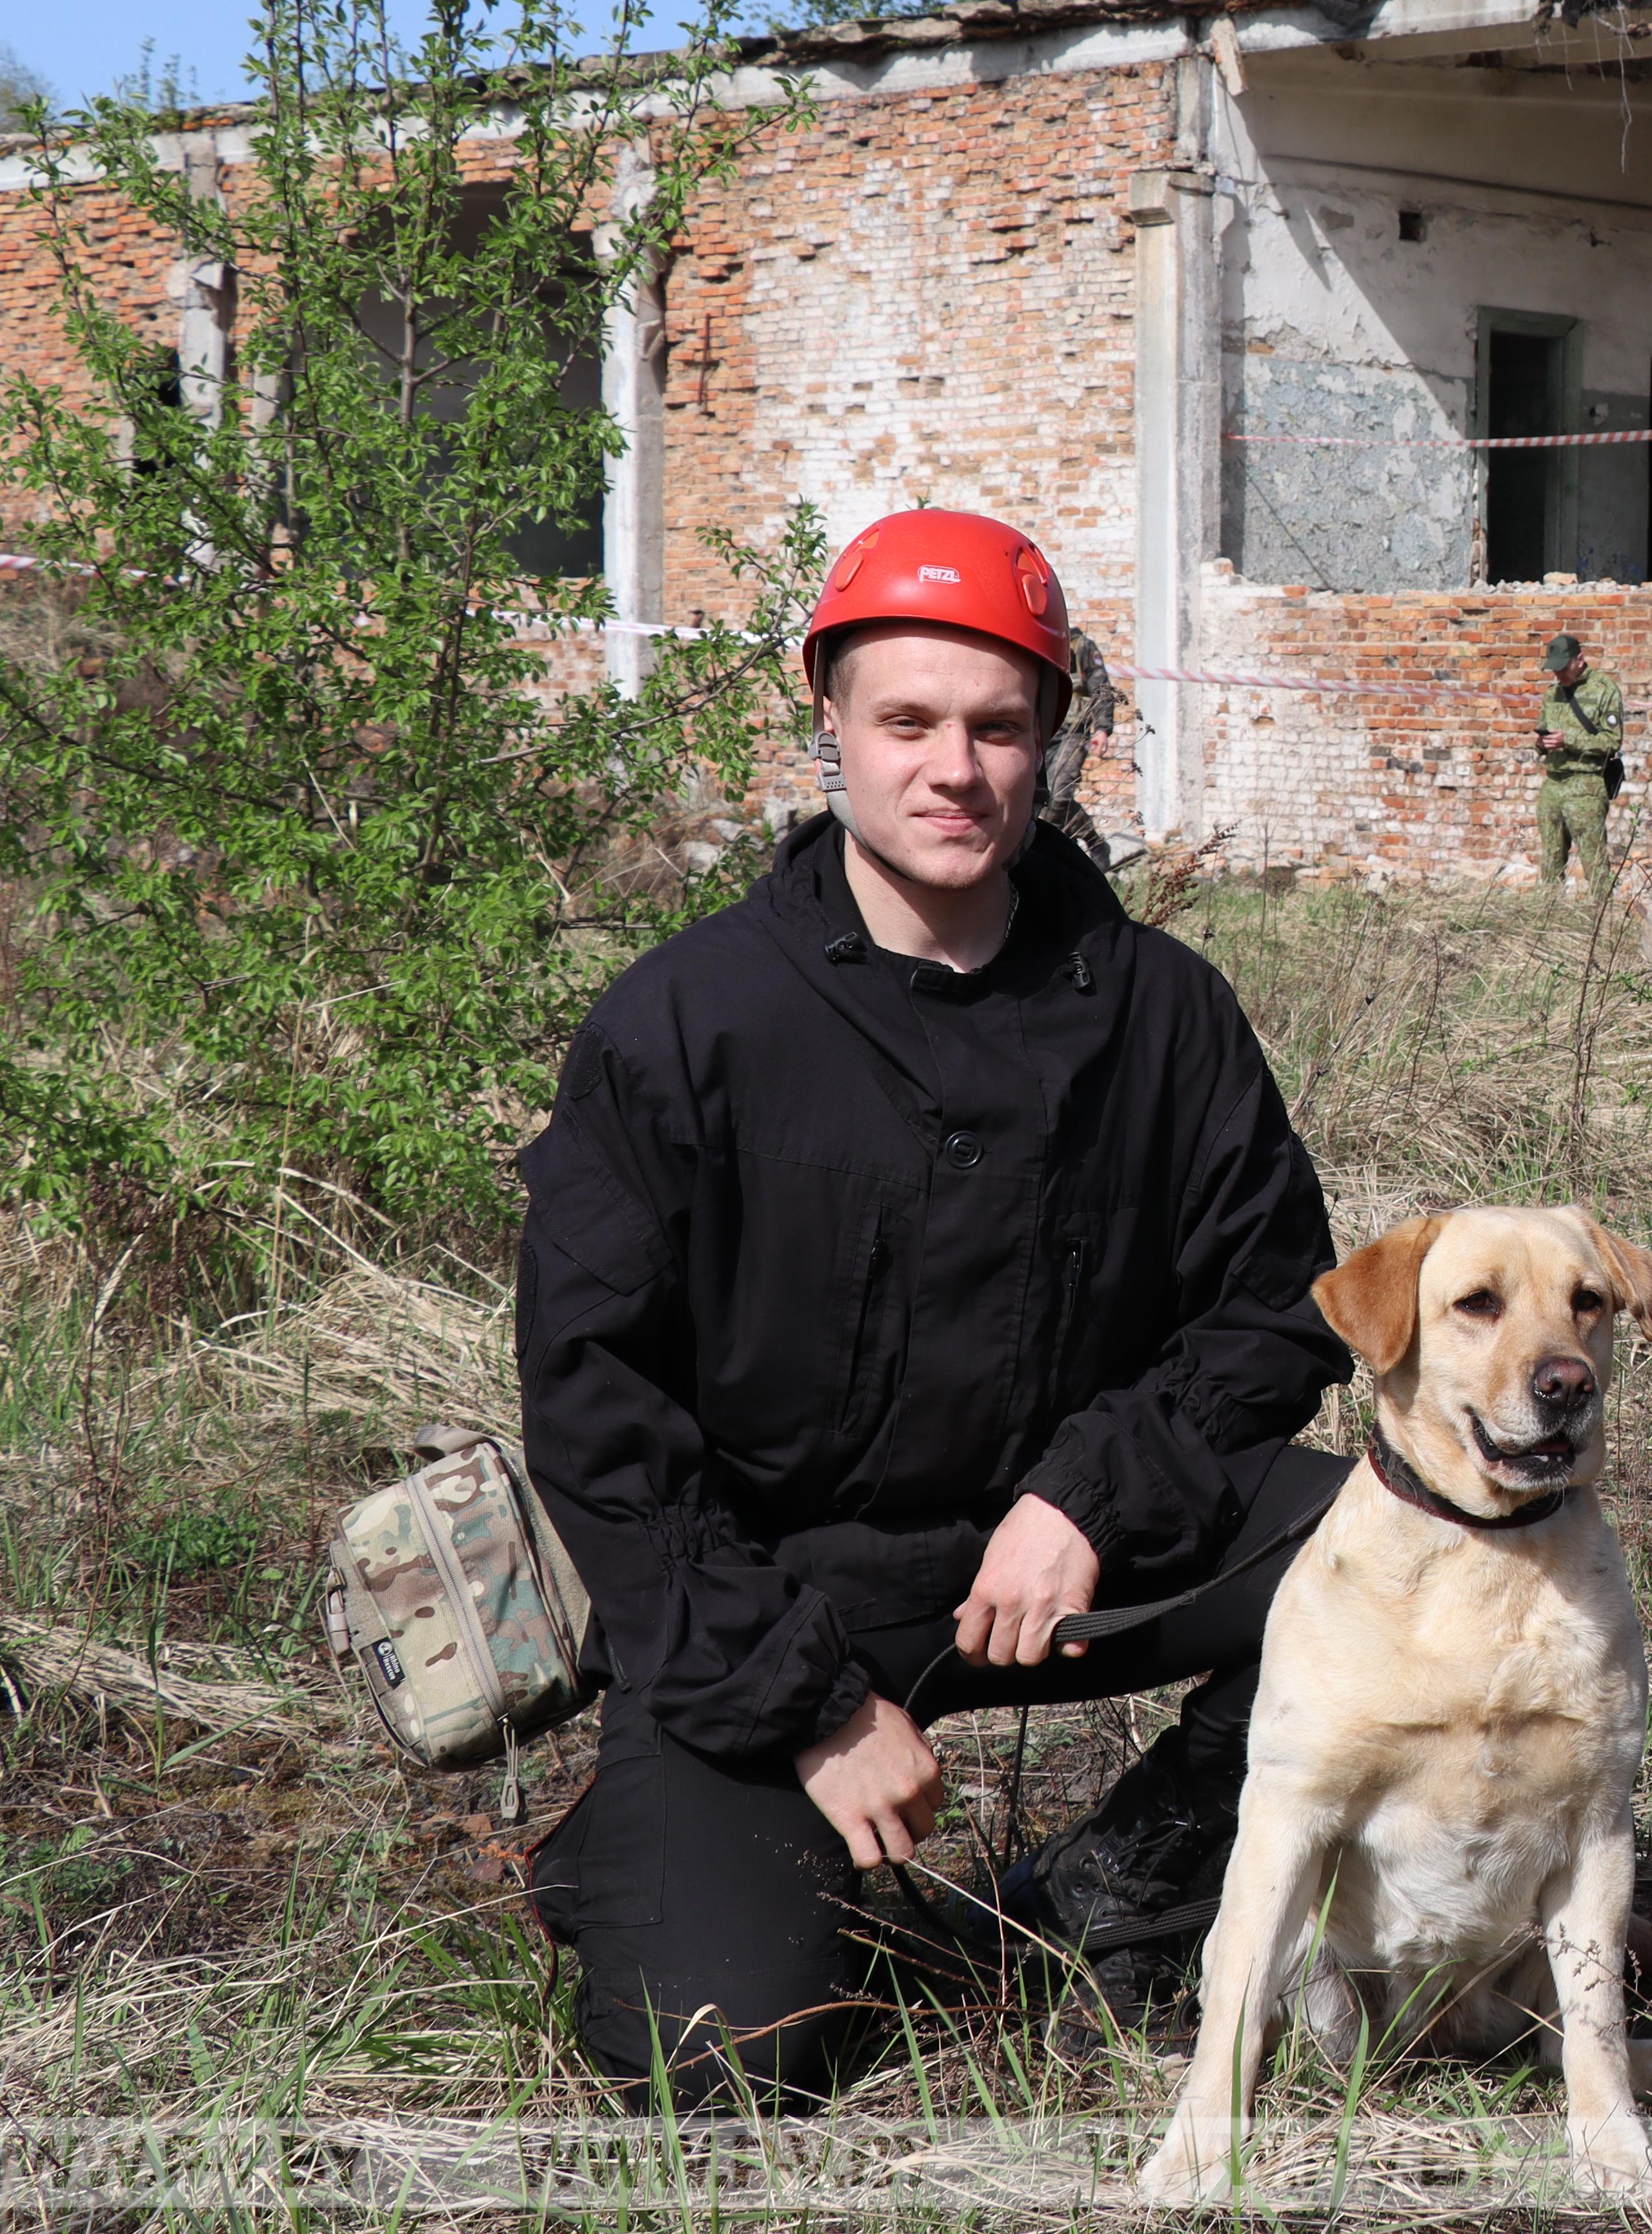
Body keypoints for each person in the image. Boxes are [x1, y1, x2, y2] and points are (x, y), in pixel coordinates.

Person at [519, 507, 1355, 2109]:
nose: (954, 768)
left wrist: (1088, 1492)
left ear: (1052, 739)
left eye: (998, 726)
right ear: (827, 718)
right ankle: (650, 1843)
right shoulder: (686, 1023)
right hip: (775, 1592)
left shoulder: (1160, 1011)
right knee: (720, 2064)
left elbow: (1276, 1309)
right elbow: (603, 1426)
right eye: (907, 721)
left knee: (1414, 1550)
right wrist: (815, 1706)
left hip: (1070, 1557)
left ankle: (1113, 1895)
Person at [1535, 630, 1624, 896]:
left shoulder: (1604, 690)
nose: (1558, 675)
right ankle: (1548, 918)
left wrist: (1569, 739)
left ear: (1579, 660)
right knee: (1550, 860)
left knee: (1594, 863)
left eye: (1563, 668)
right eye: (1554, 670)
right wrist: (1542, 744)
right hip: (1553, 783)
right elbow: (1543, 732)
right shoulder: (1552, 694)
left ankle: (1601, 919)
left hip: (1585, 786)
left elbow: (1613, 741)